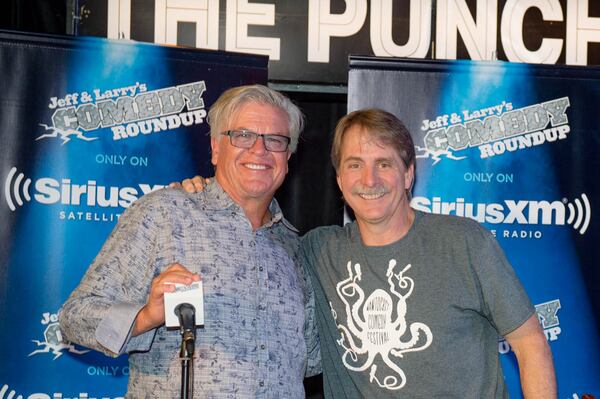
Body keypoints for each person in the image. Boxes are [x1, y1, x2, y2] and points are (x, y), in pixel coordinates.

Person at [180, 108, 557, 398]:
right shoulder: (316, 249)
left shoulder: (464, 243)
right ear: (339, 180)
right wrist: (210, 192)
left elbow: (530, 341)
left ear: (408, 174)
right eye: (355, 165)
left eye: (384, 164)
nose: (369, 180)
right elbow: (253, 230)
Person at [59, 84, 321, 398]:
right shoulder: (165, 214)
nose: (259, 150)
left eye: (275, 140)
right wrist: (146, 317)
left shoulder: (296, 247)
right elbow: (75, 318)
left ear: (288, 155)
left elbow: (311, 358)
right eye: (243, 135)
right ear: (215, 147)